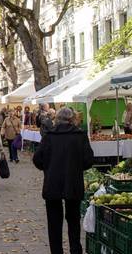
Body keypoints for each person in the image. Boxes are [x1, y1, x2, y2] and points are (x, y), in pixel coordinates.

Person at [32, 108, 94, 254]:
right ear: (72, 119)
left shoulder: (49, 136)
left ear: (57, 119)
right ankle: (75, 249)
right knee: (73, 220)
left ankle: (56, 251)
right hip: (73, 183)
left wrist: (48, 168)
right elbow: (89, 160)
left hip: (52, 183)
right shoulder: (80, 136)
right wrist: (77, 167)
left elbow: (37, 159)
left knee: (54, 222)